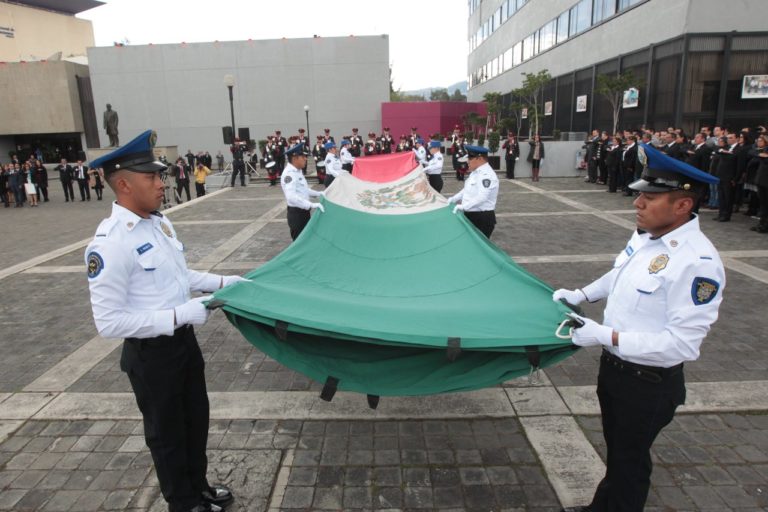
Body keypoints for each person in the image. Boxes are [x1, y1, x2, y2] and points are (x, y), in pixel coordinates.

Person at [554, 143, 724, 512]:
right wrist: (581, 294)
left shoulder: (697, 262)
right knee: (620, 454)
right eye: (639, 194)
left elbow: (681, 345)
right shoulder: (647, 234)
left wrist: (605, 335)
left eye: (650, 197)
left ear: (683, 205)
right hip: (615, 371)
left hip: (647, 384)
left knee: (629, 463)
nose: (638, 203)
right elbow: (620, 272)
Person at [85, 130, 242, 512]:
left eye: (160, 175)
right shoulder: (109, 244)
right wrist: (178, 315)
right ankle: (183, 503)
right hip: (152, 356)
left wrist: (226, 282)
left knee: (195, 422)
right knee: (167, 434)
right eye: (152, 178)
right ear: (123, 185)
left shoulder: (157, 223)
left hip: (183, 344)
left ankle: (198, 486)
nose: (162, 182)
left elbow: (180, 277)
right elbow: (108, 322)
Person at [447, 145, 499, 238]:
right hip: (472, 215)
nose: (467, 161)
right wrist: (454, 199)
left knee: (478, 249)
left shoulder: (486, 175)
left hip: (481, 218)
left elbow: (482, 197)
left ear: (479, 158)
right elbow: (466, 190)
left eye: (470, 159)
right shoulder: (475, 172)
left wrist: (464, 206)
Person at [280, 143, 325, 240]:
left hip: (304, 212)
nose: (306, 159)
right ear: (295, 158)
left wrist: (319, 194)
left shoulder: (298, 171)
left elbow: (304, 190)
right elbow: (291, 197)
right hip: (297, 215)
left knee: (306, 240)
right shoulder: (289, 174)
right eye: (303, 156)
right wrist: (311, 205)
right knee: (299, 243)